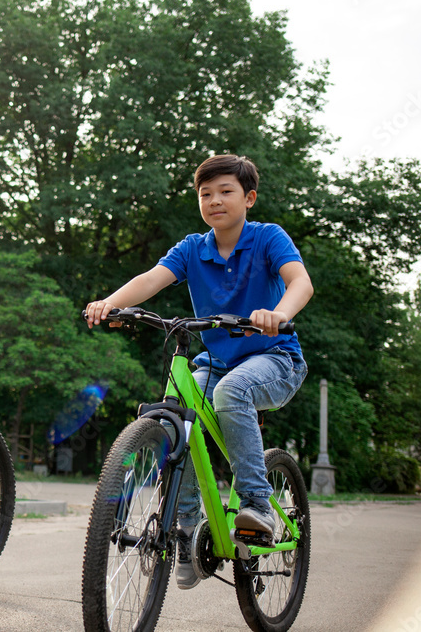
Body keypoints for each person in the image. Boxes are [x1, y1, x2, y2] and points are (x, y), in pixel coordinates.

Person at [85, 154, 313, 590]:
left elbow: (300, 281)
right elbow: (152, 278)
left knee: (230, 393)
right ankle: (185, 527)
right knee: (175, 416)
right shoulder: (193, 248)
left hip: (275, 357)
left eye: (225, 191)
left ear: (249, 198)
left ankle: (257, 504)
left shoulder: (268, 238)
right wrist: (111, 303)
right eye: (205, 194)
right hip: (218, 360)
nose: (214, 200)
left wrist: (277, 313)